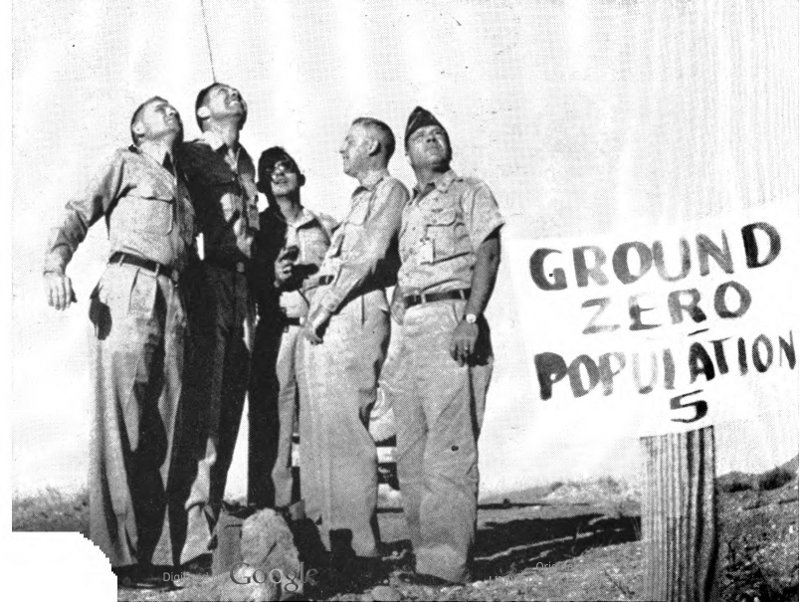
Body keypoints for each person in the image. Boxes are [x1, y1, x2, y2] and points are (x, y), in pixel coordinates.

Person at [43, 97, 195, 588]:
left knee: (164, 427)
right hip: (130, 288)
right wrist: (54, 265)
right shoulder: (124, 163)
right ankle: (118, 559)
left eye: (173, 107)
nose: (171, 111)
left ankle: (153, 554)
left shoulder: (182, 182)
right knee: (121, 423)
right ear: (138, 129)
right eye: (159, 108)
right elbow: (77, 211)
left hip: (175, 298)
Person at [392, 106, 503, 585]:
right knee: (411, 448)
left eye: (439, 134)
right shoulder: (409, 208)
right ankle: (425, 556)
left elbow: (488, 252)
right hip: (413, 324)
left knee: (449, 445)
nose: (432, 139)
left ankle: (446, 563)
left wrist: (471, 318)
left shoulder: (469, 191)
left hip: (452, 315)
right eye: (422, 137)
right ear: (407, 154)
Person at [299, 117, 408, 567]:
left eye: (349, 142)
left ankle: (360, 546)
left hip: (354, 307)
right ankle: (330, 541)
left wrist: (325, 306)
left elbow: (370, 256)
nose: (341, 149)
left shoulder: (391, 191)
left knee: (347, 427)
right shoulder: (357, 199)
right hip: (332, 308)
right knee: (322, 431)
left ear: (374, 147)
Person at [174, 82, 260, 564]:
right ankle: (190, 539)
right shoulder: (191, 154)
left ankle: (207, 531)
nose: (235, 96)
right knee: (205, 411)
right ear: (204, 113)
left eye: (237, 92)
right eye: (224, 94)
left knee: (229, 410)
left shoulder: (246, 162)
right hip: (209, 282)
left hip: (244, 288)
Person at [248, 146, 337, 510]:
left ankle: (322, 513)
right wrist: (271, 277)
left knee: (323, 420)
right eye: (270, 171)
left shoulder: (326, 226)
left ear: (301, 177)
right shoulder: (255, 230)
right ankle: (272, 513)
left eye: (287, 167)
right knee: (274, 423)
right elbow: (246, 285)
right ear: (261, 185)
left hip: (319, 334)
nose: (279, 174)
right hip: (276, 331)